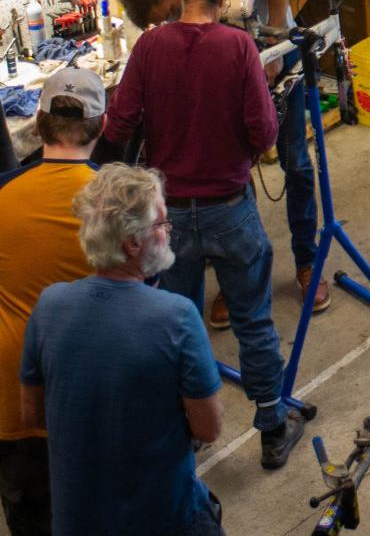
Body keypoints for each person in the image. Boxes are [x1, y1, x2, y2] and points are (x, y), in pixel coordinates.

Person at [103, 0, 307, 471]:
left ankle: (190, 430)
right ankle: (272, 427)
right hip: (229, 208)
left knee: (180, 324)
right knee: (252, 320)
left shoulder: (150, 47)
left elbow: (119, 123)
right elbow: (264, 133)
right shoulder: (237, 47)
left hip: (167, 217)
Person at [117, 0, 328, 321]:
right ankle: (238, 277)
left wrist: (273, 47)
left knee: (296, 163)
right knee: (232, 175)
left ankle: (307, 262)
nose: (167, 23)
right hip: (228, 62)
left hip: (271, 55)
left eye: (165, 13)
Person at [19, 164, 227, 536]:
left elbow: (32, 414)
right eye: (161, 223)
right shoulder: (176, 317)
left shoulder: (49, 306)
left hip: (76, 521)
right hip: (163, 519)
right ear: (132, 243)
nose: (168, 230)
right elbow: (208, 428)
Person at [0, 69, 104, 536]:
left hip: (14, 404)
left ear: (39, 124)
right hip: (94, 399)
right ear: (103, 125)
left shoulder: (4, 194)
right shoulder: (120, 202)